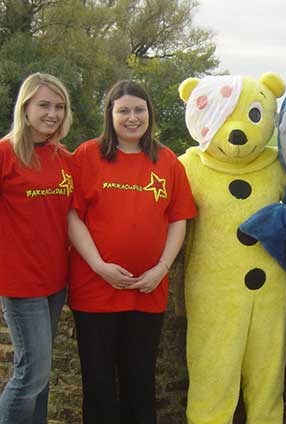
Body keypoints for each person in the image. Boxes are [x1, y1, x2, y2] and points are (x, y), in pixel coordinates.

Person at [67, 80, 196, 424]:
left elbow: (178, 219)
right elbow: (72, 216)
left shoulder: (167, 161)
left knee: (140, 381)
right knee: (98, 384)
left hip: (147, 290)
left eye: (139, 110)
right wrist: (98, 265)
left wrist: (162, 269)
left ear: (149, 114)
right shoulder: (87, 156)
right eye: (123, 110)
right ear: (110, 114)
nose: (132, 117)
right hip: (94, 290)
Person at [0, 73, 73, 423]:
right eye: (44, 105)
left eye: (59, 106)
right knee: (30, 374)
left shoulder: (64, 159)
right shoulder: (5, 154)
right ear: (25, 107)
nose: (53, 113)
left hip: (56, 282)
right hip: (20, 284)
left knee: (41, 379)